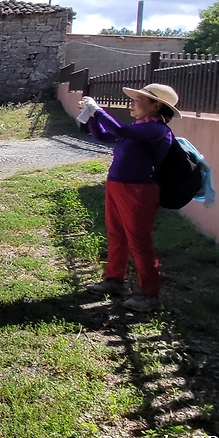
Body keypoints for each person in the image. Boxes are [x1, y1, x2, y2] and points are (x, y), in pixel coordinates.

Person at [76, 83, 180, 312]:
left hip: (139, 190)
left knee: (139, 241)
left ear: (156, 106)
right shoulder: (140, 127)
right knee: (116, 234)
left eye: (137, 100)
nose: (131, 104)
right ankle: (114, 280)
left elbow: (120, 131)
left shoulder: (156, 130)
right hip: (117, 186)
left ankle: (150, 295)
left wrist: (98, 111)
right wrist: (92, 117)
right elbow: (105, 136)